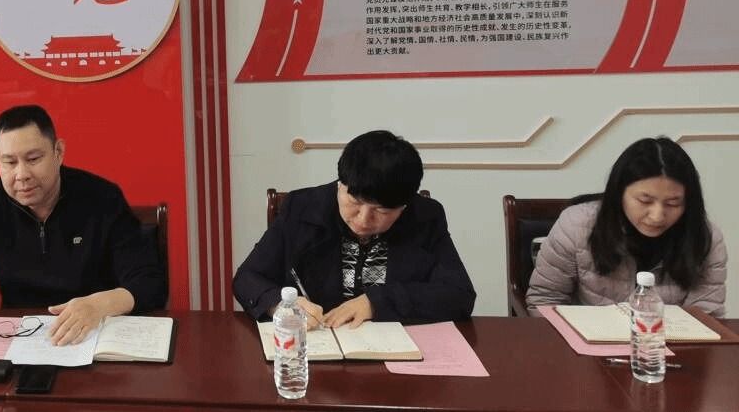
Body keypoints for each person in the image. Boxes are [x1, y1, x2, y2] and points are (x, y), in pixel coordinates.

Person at [0, 104, 166, 346]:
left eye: (33, 159)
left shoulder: (103, 198)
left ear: (58, 152)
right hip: (20, 339)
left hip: (94, 336)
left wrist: (98, 305)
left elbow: (149, 282)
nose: (22, 174)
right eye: (9, 162)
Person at [233, 130, 475, 328]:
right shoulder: (301, 208)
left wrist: (376, 303)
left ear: (404, 206)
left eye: (382, 211)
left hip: (397, 354)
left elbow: (458, 295)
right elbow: (247, 278)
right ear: (341, 185)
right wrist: (281, 305)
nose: (364, 219)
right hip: (315, 351)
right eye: (355, 202)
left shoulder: (425, 217)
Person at [527, 137, 726, 315]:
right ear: (618, 192)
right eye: (644, 201)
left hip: (666, 343)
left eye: (673, 203)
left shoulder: (705, 237)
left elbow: (706, 317)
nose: (657, 216)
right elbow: (545, 302)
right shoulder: (576, 225)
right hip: (584, 343)